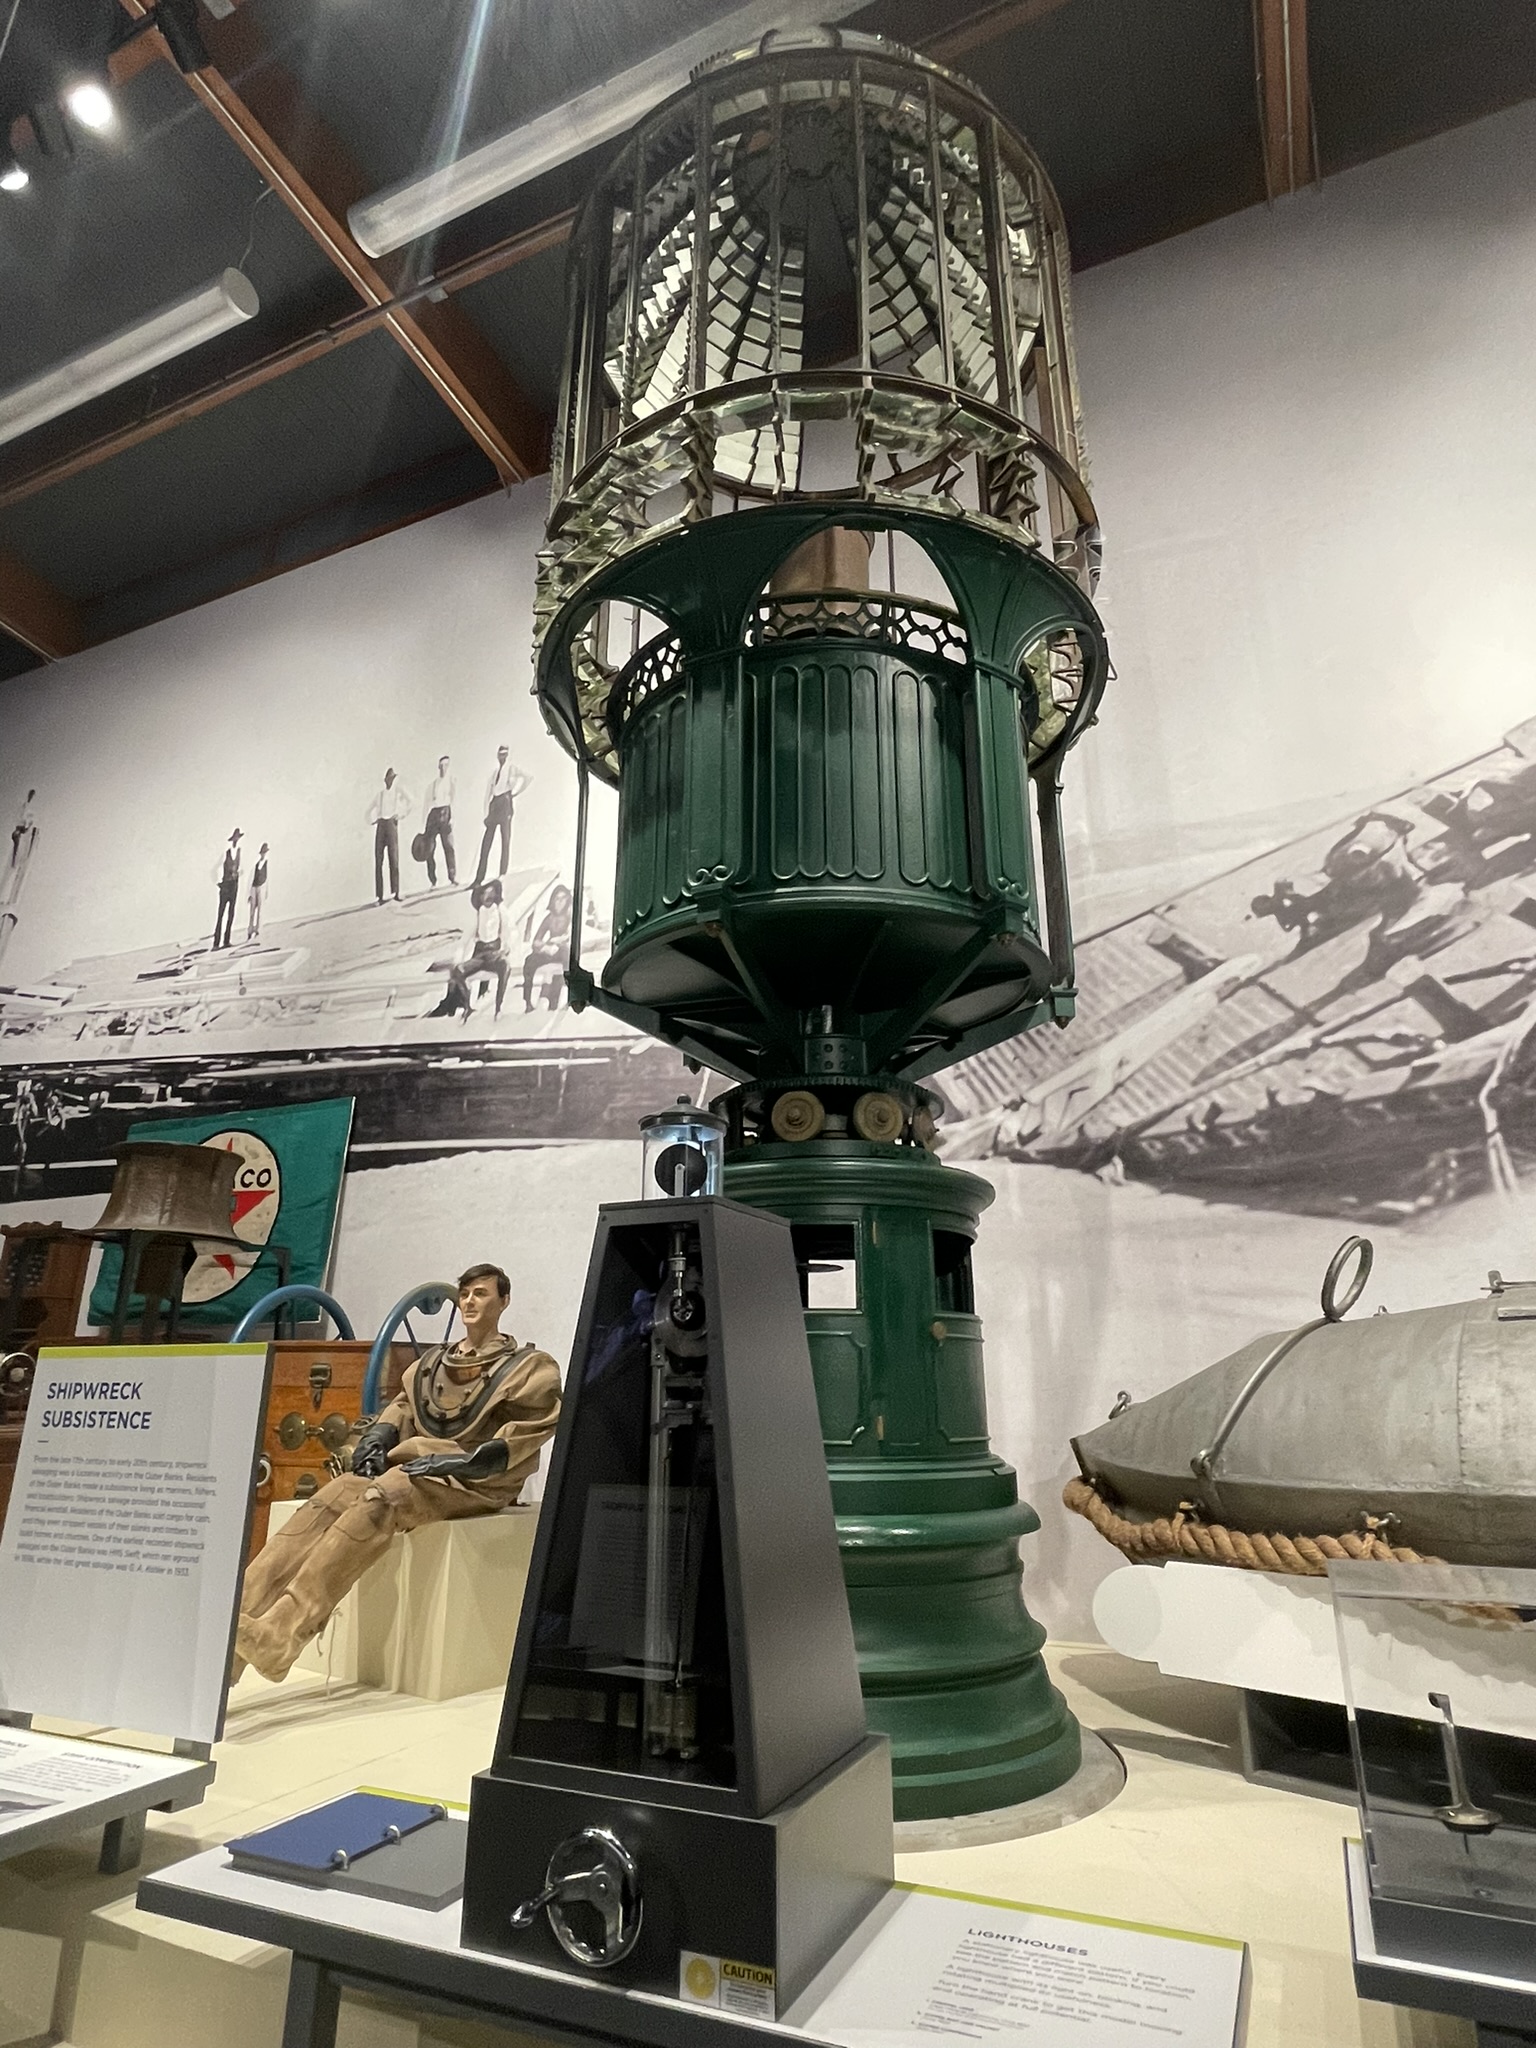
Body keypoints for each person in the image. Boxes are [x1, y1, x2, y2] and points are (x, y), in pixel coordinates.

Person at [233, 1263, 560, 1684]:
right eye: (464, 1294)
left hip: (475, 1482)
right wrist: (377, 1437)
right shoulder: (433, 1363)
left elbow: (523, 1435)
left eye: (480, 1293)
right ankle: (235, 1622)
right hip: (418, 1466)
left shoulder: (528, 1369)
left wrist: (456, 1462)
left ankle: (284, 1632)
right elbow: (403, 1406)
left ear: (504, 1301)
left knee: (382, 1495)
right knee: (337, 1492)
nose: (469, 1302)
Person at [431, 879, 510, 1019]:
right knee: (458, 971)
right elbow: (464, 941)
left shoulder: (500, 911)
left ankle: (499, 1008)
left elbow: (508, 932)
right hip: (480, 955)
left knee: (505, 966)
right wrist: (458, 959)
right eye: (485, 893)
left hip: (495, 953)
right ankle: (466, 1007)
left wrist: (505, 947)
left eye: (491, 893)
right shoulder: (477, 915)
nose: (488, 897)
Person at [474, 744, 530, 886]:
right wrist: (486, 813)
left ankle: (502, 873)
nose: (502, 758)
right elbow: (488, 793)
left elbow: (527, 777)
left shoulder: (512, 768)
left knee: (505, 839)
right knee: (486, 842)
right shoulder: (494, 773)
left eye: (505, 755)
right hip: (495, 804)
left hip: (505, 802)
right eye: (500, 755)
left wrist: (515, 792)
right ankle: (479, 878)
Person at [522, 883, 572, 1011]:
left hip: (563, 950)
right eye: (557, 898)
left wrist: (558, 942)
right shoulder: (549, 918)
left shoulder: (570, 916)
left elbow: (570, 935)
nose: (560, 902)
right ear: (553, 900)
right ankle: (527, 1002)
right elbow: (536, 940)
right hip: (549, 950)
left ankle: (570, 998)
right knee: (529, 960)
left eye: (563, 898)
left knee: (567, 957)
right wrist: (544, 947)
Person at [368, 767, 412, 904]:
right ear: (385, 780)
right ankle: (379, 896)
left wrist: (401, 815)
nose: (390, 781)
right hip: (381, 826)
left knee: (394, 859)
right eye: (388, 779)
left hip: (392, 825)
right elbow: (368, 811)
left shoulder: (398, 792)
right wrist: (373, 820)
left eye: (392, 779)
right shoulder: (379, 795)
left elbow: (410, 802)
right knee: (379, 861)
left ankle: (396, 892)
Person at [422, 755, 457, 887]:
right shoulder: (432, 785)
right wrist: (423, 824)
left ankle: (452, 877)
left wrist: (452, 818)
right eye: (441, 766)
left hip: (446, 812)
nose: (443, 768)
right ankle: (433, 880)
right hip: (433, 815)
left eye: (446, 765)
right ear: (438, 767)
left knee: (448, 846)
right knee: (429, 848)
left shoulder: (451, 781)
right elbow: (426, 805)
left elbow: (454, 801)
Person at [1, 790, 37, 910]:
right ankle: (5, 897)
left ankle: (9, 897)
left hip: (24, 838)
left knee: (18, 865)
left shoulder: (28, 812)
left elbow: (27, 824)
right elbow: (22, 823)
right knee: (13, 865)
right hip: (20, 838)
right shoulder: (24, 809)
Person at [212, 828, 242, 950]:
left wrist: (238, 874)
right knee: (221, 914)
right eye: (234, 838)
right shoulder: (226, 853)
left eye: (237, 838)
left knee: (231, 913)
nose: (236, 840)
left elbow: (241, 868)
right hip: (225, 886)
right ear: (232, 840)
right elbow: (215, 868)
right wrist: (218, 882)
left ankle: (226, 941)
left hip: (234, 885)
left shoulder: (239, 852)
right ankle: (216, 943)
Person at [246, 842, 269, 942]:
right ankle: (250, 930)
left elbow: (268, 878)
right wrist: (249, 893)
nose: (263, 854)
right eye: (262, 852)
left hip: (262, 887)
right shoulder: (256, 864)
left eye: (265, 852)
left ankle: (258, 930)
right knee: (252, 911)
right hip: (254, 887)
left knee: (260, 909)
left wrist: (266, 891)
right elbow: (251, 878)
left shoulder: (267, 864)